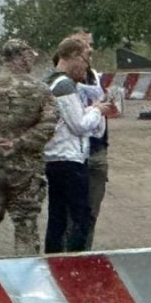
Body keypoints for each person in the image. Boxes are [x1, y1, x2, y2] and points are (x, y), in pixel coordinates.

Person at [0, 39, 58, 257]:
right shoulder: (41, 90)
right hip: (26, 169)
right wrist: (20, 142)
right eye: (30, 54)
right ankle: (27, 279)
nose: (33, 59)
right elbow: (49, 124)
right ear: (22, 56)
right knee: (25, 225)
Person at [43, 38, 113, 254]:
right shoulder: (63, 85)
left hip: (58, 158)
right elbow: (80, 125)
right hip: (68, 159)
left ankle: (55, 261)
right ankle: (74, 263)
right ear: (72, 55)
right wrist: (98, 110)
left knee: (59, 215)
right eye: (86, 57)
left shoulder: (54, 82)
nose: (87, 64)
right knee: (79, 216)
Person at [69, 28, 109, 250]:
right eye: (83, 44)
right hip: (73, 153)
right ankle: (66, 257)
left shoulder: (94, 76)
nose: (89, 49)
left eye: (90, 44)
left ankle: (85, 254)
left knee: (91, 211)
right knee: (70, 212)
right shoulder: (62, 80)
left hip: (97, 150)